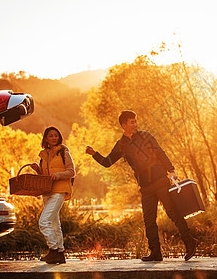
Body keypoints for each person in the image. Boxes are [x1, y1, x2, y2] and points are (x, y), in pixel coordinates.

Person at [85, 110, 198, 261]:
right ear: (123, 125)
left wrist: (171, 170)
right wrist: (94, 154)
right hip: (145, 186)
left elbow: (160, 152)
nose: (135, 124)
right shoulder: (121, 145)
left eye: (135, 121)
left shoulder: (146, 136)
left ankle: (190, 242)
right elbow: (107, 162)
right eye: (132, 122)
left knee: (172, 213)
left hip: (160, 179)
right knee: (149, 220)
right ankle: (156, 252)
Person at [31, 126, 75, 264]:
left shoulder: (64, 152)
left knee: (43, 222)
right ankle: (60, 254)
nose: (54, 137)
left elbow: (71, 171)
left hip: (58, 192)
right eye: (51, 135)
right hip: (47, 192)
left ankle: (53, 249)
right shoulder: (43, 155)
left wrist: (58, 174)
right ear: (46, 138)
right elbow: (45, 177)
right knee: (55, 225)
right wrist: (38, 170)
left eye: (56, 135)